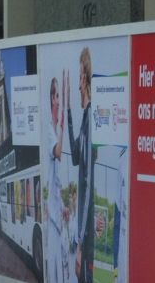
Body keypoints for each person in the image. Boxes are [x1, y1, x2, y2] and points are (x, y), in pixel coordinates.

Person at [66, 48, 95, 283]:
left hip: (86, 229)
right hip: (82, 228)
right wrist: (67, 110)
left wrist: (81, 240)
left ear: (85, 79)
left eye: (79, 78)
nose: (77, 86)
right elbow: (75, 157)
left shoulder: (92, 120)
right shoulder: (85, 117)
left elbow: (88, 181)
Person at [43, 77, 67, 283]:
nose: (59, 101)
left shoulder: (55, 129)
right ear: (52, 98)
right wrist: (63, 127)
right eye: (57, 96)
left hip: (59, 216)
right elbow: (58, 152)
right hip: (51, 218)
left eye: (60, 95)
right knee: (54, 272)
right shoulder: (50, 130)